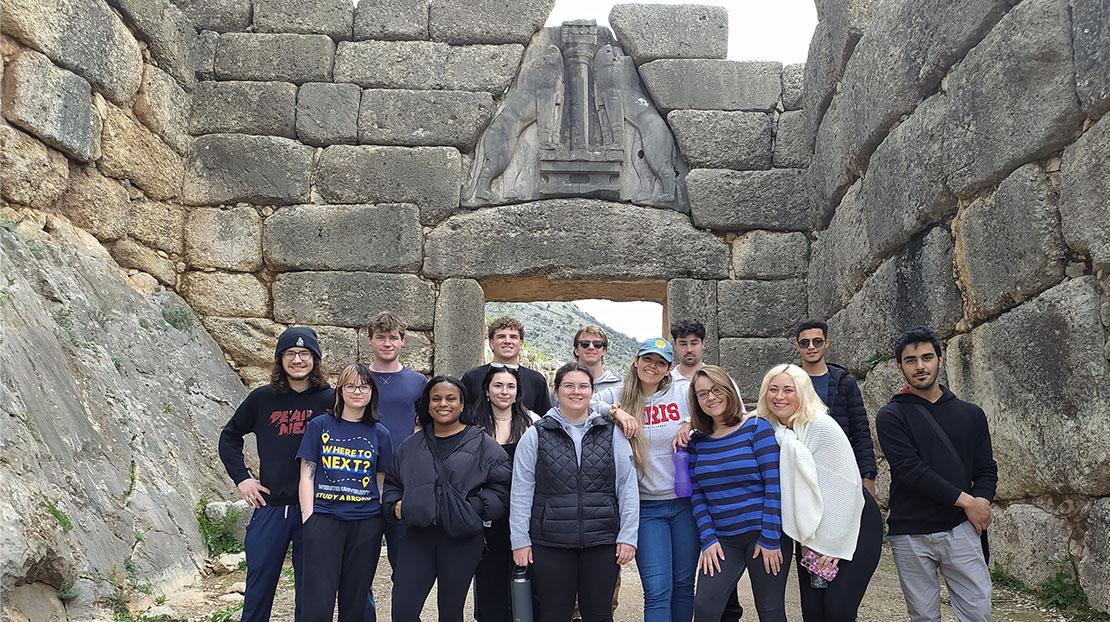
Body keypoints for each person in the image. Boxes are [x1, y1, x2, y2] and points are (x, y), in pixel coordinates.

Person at [876, 327, 997, 622]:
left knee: (977, 613)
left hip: (960, 528)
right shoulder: (891, 416)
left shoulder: (971, 414)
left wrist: (981, 500)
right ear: (900, 366)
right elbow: (911, 470)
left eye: (927, 357)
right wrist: (968, 502)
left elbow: (985, 468)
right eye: (911, 360)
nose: (920, 366)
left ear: (940, 360)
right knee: (924, 617)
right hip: (911, 531)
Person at [218, 327, 334, 622]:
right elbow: (230, 436)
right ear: (280, 360)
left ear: (315, 359)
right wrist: (242, 478)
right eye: (290, 354)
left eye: (305, 353)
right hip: (272, 506)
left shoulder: (330, 400)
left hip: (317, 508)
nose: (298, 359)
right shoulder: (262, 398)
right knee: (259, 586)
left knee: (311, 590)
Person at [510, 362, 639, 622]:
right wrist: (520, 540)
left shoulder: (612, 433)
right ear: (557, 391)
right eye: (568, 385)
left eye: (583, 386)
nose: (576, 392)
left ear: (592, 392)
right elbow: (522, 489)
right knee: (554, 613)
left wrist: (628, 535)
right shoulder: (536, 435)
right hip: (551, 541)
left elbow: (627, 485)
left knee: (599, 614)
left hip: (601, 540)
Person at [757, 364, 882, 622]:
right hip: (810, 530)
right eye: (774, 389)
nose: (780, 396)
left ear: (802, 393)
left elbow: (847, 489)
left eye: (788, 390)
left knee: (838, 611)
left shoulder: (821, 426)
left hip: (851, 525)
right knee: (813, 613)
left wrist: (834, 544)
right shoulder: (774, 431)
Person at [383, 377, 512, 622]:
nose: (443, 404)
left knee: (451, 612)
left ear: (462, 404)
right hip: (418, 537)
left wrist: (473, 507)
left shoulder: (483, 444)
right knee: (403, 610)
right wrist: (397, 507)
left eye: (451, 398)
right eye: (436, 398)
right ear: (428, 405)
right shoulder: (410, 446)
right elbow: (392, 484)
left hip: (461, 539)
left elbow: (503, 489)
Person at [595, 338, 698, 622]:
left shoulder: (681, 392)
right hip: (646, 507)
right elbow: (585, 401)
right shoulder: (618, 393)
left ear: (668, 369)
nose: (653, 366)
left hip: (684, 504)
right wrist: (616, 412)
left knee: (683, 587)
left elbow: (716, 404)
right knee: (657, 590)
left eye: (661, 362)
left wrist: (690, 423)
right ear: (636, 361)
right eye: (648, 359)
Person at [687, 365, 787, 622]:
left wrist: (771, 538)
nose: (711, 397)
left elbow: (774, 485)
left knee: (770, 611)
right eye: (702, 394)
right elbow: (697, 494)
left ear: (729, 390)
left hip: (762, 535)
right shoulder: (697, 441)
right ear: (696, 401)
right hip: (723, 540)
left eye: (716, 389)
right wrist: (707, 538)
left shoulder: (756, 427)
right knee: (706, 608)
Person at [297, 363, 392, 622]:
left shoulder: (380, 433)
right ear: (340, 391)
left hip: (366, 523)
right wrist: (309, 517)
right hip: (325, 518)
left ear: (372, 392)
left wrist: (379, 519)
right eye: (350, 386)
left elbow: (381, 481)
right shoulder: (320, 425)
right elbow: (307, 473)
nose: (357, 391)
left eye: (363, 386)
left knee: (356, 600)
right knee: (317, 600)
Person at [670, 318, 746, 622]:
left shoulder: (718, 378)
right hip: (678, 481)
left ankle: (729, 612)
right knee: (694, 561)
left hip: (716, 480)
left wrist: (690, 424)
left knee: (722, 554)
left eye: (695, 342)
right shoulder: (667, 381)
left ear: (703, 345)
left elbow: (734, 416)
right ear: (675, 346)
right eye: (683, 343)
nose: (689, 349)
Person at [472, 366, 541, 622]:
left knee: (528, 582)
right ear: (487, 391)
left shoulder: (533, 423)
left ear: (517, 392)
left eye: (510, 386)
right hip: (488, 516)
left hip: (525, 514)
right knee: (490, 582)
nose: (504, 391)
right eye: (498, 386)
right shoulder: (473, 425)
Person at [365, 312, 427, 582]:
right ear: (370, 341)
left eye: (393, 337)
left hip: (401, 480)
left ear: (403, 341)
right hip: (360, 476)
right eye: (381, 337)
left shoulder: (417, 382)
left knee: (404, 563)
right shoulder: (357, 380)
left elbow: (428, 428)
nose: (387, 343)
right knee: (358, 565)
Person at [794, 320, 878, 497]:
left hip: (841, 467)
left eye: (817, 341)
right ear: (797, 346)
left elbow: (860, 430)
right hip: (800, 469)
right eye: (804, 343)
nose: (811, 347)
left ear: (827, 343)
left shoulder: (844, 382)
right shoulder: (788, 383)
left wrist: (868, 476)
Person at [461, 316, 552, 415]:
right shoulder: (471, 377)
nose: (507, 341)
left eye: (513, 337)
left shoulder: (536, 380)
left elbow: (544, 419)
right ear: (491, 343)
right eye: (501, 336)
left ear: (521, 343)